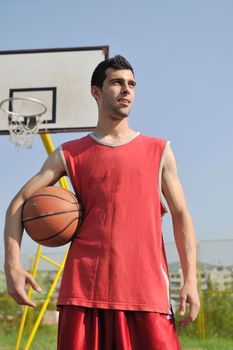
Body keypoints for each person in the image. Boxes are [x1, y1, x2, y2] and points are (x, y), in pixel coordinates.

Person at [4, 55, 200, 349]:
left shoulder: (159, 151)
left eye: (132, 84)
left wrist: (190, 281)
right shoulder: (69, 154)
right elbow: (19, 201)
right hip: (84, 293)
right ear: (96, 91)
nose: (127, 90)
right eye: (117, 82)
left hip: (146, 294)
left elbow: (181, 215)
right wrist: (13, 266)